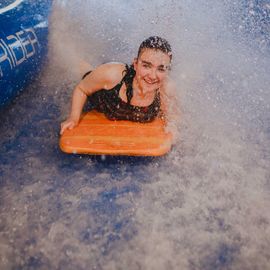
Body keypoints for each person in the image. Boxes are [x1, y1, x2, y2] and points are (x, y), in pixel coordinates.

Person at [60, 36, 177, 135]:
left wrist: (172, 128)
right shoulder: (112, 75)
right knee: (79, 66)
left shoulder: (165, 90)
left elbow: (174, 119)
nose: (152, 76)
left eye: (161, 69)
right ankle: (65, 45)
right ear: (135, 64)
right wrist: (73, 118)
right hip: (100, 94)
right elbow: (81, 89)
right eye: (146, 66)